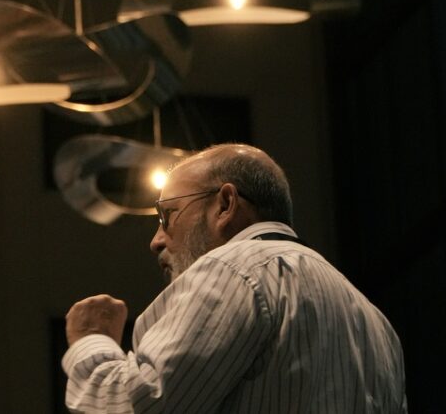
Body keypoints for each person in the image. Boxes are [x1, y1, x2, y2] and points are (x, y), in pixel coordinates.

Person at [63, 143, 407, 413]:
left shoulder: (236, 271)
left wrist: (92, 343)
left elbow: (143, 405)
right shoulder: (375, 323)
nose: (156, 240)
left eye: (167, 215)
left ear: (225, 205)